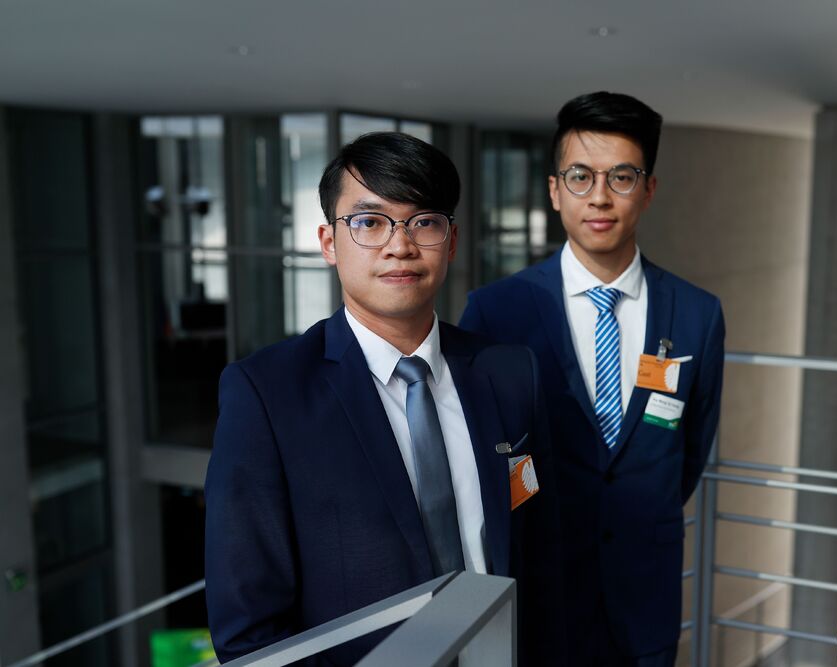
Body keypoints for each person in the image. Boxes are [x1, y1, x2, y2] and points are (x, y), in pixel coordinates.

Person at [205, 132, 563, 666]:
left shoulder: (509, 372)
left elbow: (542, 551)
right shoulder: (267, 396)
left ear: (452, 239)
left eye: (424, 222)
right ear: (329, 242)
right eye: (370, 222)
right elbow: (248, 637)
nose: (401, 245)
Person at [460, 92, 725, 666]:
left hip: (644, 599)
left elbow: (690, 451)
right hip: (538, 598)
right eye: (580, 176)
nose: (599, 197)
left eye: (621, 177)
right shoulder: (495, 312)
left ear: (648, 189)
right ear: (554, 190)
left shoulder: (698, 314)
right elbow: (483, 456)